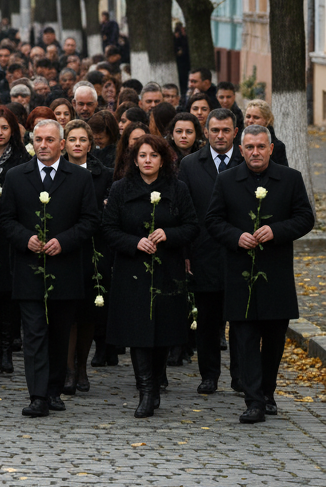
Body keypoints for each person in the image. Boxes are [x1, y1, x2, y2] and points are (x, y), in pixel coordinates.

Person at [205, 124, 315, 423]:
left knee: (274, 338)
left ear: (270, 148)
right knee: (245, 338)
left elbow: (306, 217)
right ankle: (252, 400)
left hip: (275, 271)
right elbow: (213, 220)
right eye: (249, 147)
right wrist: (235, 236)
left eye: (260, 147)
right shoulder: (227, 180)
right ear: (241, 150)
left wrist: (277, 231)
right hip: (240, 272)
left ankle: (268, 392)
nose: (255, 152)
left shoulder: (290, 178)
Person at [0, 118, 101, 417]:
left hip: (66, 269)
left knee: (58, 334)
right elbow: (5, 219)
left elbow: (90, 220)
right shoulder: (17, 176)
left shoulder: (80, 178)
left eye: (49, 140)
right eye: (38, 140)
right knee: (34, 334)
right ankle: (38, 395)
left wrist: (64, 241)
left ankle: (55, 389)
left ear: (62, 143)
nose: (43, 145)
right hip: (29, 269)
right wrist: (25, 238)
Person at [102, 135, 199, 418]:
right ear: (134, 160)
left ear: (163, 159)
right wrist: (134, 242)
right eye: (142, 155)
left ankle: (156, 384)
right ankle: (145, 391)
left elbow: (192, 226)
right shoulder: (120, 189)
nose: (148, 161)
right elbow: (108, 229)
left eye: (154, 155)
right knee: (139, 332)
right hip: (132, 271)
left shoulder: (177, 188)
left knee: (163, 332)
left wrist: (169, 234)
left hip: (167, 269)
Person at [178, 108, 242, 396]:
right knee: (207, 319)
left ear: (235, 132)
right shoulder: (191, 164)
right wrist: (186, 252)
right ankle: (209, 375)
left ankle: (241, 376)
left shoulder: (247, 161)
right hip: (203, 253)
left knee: (241, 320)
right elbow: (183, 212)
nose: (220, 135)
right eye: (214, 130)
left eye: (225, 130)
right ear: (205, 132)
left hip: (240, 251)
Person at [61, 119, 112, 395]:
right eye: (72, 139)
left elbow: (110, 211)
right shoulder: (58, 172)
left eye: (82, 140)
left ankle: (82, 367)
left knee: (89, 312)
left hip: (95, 248)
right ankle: (68, 369)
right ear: (64, 143)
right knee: (69, 312)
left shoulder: (104, 174)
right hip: (67, 248)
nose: (77, 144)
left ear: (90, 144)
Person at [0, 106, 31, 375]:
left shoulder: (24, 160)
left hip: (13, 235)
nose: (0, 133)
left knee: (9, 296)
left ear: (13, 130)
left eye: (5, 128)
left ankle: (6, 348)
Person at [243, 99, 289, 167]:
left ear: (267, 120)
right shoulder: (238, 143)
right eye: (248, 116)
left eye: (256, 117)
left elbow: (283, 174)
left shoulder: (277, 147)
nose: (250, 120)